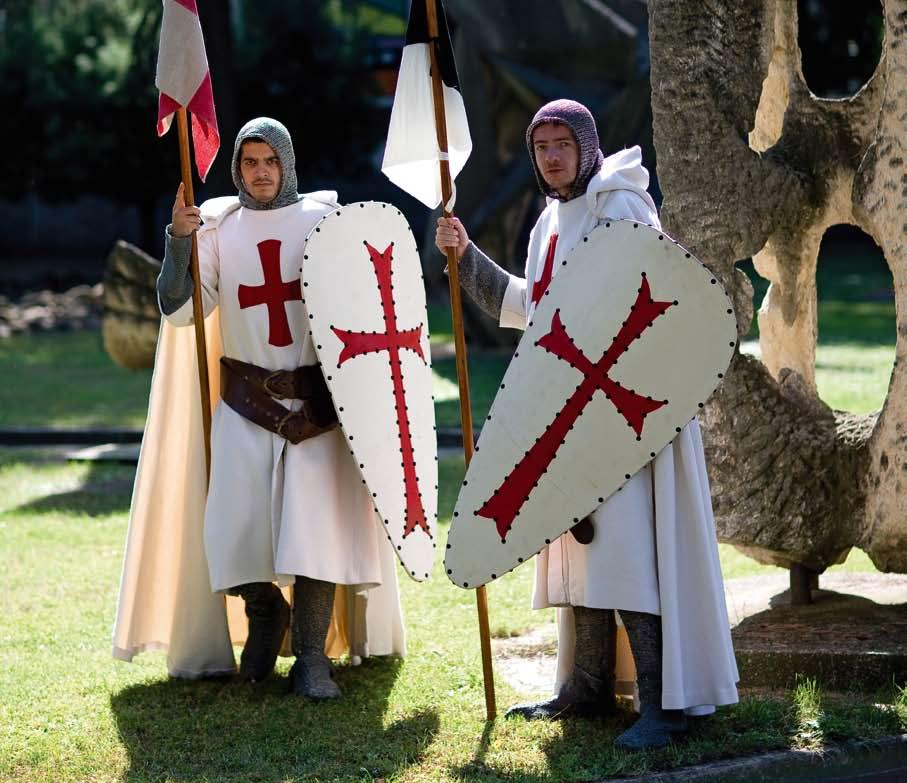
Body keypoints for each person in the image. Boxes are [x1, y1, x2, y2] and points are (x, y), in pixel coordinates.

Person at [436, 99, 738, 748]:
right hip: (566, 415)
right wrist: (465, 258)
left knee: (629, 554)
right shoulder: (551, 220)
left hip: (623, 414)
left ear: (585, 145)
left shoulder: (619, 206)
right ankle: (586, 689)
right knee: (580, 555)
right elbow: (530, 307)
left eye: (560, 143)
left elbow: (655, 304)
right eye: (540, 144)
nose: (549, 155)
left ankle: (663, 705)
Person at [117, 116, 402, 695]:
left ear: (287, 163)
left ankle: (312, 661)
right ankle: (267, 612)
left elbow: (366, 306)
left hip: (318, 407)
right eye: (249, 162)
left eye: (269, 161)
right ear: (237, 169)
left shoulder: (326, 223)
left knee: (316, 532)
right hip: (246, 402)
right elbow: (182, 311)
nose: (261, 172)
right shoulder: (220, 231)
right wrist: (178, 242)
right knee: (234, 530)